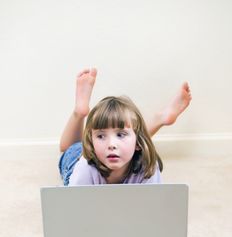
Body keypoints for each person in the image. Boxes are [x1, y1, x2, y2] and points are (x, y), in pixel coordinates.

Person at [59, 68, 192, 185]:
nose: (111, 144)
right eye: (101, 135)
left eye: (120, 135)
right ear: (91, 142)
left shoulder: (147, 167)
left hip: (120, 148)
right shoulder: (85, 168)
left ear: (139, 143)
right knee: (69, 148)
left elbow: (153, 204)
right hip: (80, 158)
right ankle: (79, 112)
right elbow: (75, 206)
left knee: (131, 136)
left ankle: (161, 117)